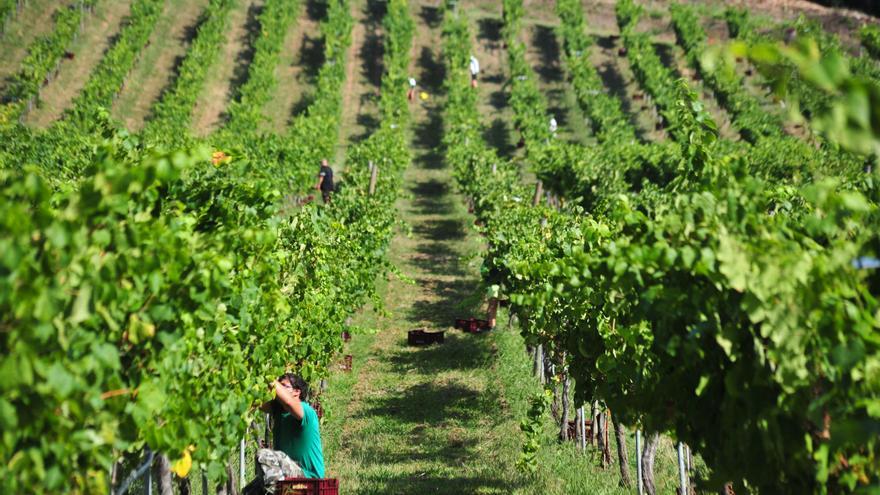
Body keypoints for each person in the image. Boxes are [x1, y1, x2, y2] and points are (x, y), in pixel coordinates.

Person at [244, 374, 325, 494]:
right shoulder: (279, 412)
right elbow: (255, 403)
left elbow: (288, 402)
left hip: (308, 478)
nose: (277, 390)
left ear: (297, 392)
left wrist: (268, 376)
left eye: (283, 386)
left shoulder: (306, 411)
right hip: (287, 472)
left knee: (264, 455)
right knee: (249, 491)